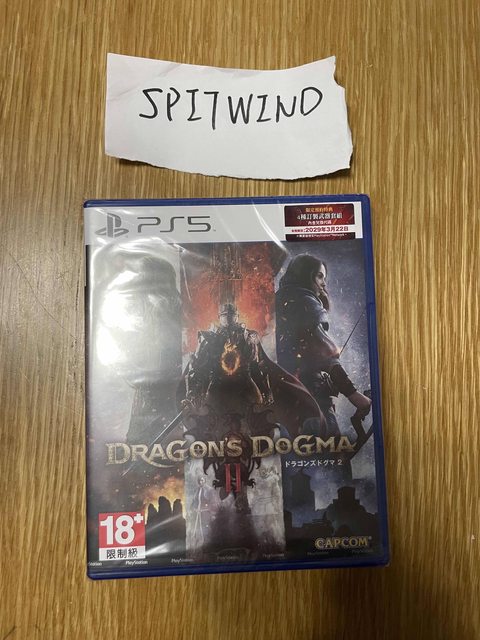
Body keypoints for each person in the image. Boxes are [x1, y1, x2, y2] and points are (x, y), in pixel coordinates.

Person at [275, 254, 371, 437]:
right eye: (319, 276)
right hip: (312, 400)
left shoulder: (283, 300)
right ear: (306, 275)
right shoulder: (304, 302)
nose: (323, 283)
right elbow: (325, 353)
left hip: (290, 399)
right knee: (328, 449)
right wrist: (354, 395)